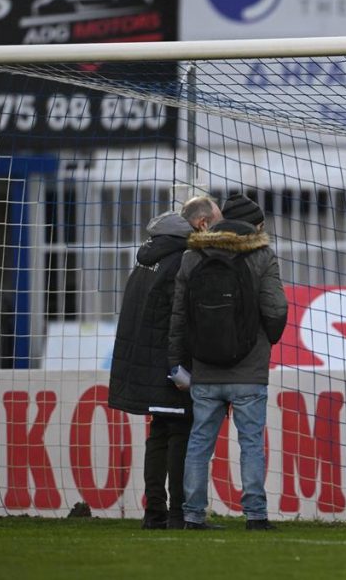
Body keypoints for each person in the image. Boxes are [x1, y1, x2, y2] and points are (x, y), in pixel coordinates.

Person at [169, 193, 288, 531]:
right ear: (255, 226)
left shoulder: (192, 257)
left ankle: (192, 515)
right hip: (249, 371)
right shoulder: (262, 254)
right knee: (250, 444)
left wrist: (178, 362)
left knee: (199, 443)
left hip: (204, 369)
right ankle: (255, 515)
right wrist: (265, 340)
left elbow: (179, 317)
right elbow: (276, 309)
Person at [108, 196, 221, 530]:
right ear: (202, 224)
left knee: (159, 433)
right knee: (178, 434)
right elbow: (179, 317)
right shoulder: (182, 258)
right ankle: (177, 515)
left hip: (144, 359)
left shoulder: (150, 256)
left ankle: (154, 513)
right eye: (216, 223)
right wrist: (180, 364)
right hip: (169, 363)